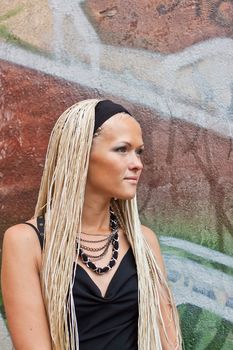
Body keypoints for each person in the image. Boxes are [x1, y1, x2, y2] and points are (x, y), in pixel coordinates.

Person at [1, 99, 182, 350]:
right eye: (122, 149)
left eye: (139, 151)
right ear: (80, 153)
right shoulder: (26, 242)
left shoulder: (143, 242)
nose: (137, 163)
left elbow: (170, 343)